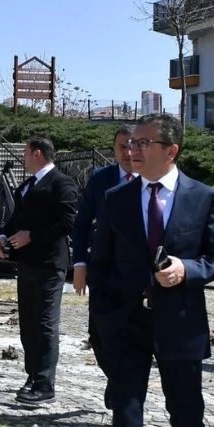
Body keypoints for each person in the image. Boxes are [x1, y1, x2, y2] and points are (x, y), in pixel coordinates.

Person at [87, 114, 214, 427]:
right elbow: (102, 264)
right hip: (127, 325)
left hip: (181, 324)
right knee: (126, 419)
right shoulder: (116, 198)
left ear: (171, 150)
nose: (133, 149)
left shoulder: (203, 198)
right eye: (132, 141)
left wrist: (188, 269)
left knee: (186, 419)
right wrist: (103, 321)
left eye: (145, 142)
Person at [0, 136, 79, 406]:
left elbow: (68, 221)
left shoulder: (61, 183)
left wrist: (33, 236)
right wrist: (1, 237)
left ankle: (45, 384)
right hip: (27, 263)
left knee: (44, 324)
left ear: (38, 154)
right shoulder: (27, 186)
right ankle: (32, 376)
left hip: (50, 263)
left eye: (26, 153)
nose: (23, 158)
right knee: (28, 323)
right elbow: (15, 220)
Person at [70, 125, 136, 408]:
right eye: (122, 146)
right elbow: (81, 222)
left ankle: (126, 390)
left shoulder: (151, 179)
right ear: (114, 149)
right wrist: (80, 263)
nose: (128, 152)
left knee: (133, 334)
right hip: (102, 269)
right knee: (98, 335)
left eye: (133, 145)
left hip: (137, 274)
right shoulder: (101, 180)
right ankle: (119, 378)